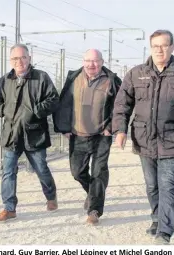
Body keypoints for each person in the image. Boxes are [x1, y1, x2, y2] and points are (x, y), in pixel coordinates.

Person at [112, 30, 174, 244]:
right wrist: (120, 130)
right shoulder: (136, 73)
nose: (159, 49)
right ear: (150, 47)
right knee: (151, 186)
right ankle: (157, 217)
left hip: (172, 141)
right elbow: (122, 104)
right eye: (155, 45)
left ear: (172, 47)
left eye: (163, 45)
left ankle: (165, 231)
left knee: (167, 186)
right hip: (144, 140)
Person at [53, 49, 122, 225]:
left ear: (102, 61)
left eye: (96, 61)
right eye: (88, 61)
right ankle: (92, 194)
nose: (92, 64)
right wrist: (64, 128)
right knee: (77, 172)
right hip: (77, 135)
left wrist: (111, 128)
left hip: (101, 135)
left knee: (99, 173)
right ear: (83, 61)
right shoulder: (73, 79)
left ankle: (94, 211)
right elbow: (64, 105)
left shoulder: (112, 80)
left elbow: (121, 106)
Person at [0, 44, 59, 222]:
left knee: (41, 169)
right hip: (11, 134)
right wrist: (4, 111)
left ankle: (51, 196)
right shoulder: (5, 80)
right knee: (8, 171)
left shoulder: (41, 78)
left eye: (23, 57)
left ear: (29, 58)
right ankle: (9, 208)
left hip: (34, 134)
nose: (19, 61)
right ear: (11, 61)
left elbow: (53, 99)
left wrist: (35, 111)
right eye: (15, 58)